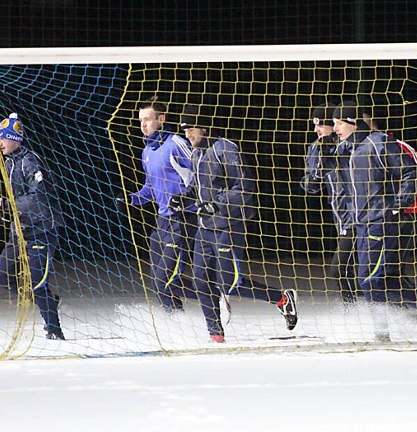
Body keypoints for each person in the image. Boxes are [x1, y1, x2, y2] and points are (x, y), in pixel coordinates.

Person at [169, 109, 297, 342]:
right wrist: (183, 197)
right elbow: (197, 188)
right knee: (200, 281)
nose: (187, 134)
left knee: (229, 284)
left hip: (228, 226)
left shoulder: (225, 148)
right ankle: (215, 334)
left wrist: (217, 204)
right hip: (204, 227)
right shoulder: (197, 153)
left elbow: (244, 188)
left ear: (203, 127)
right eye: (185, 129)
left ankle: (282, 299)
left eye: (191, 128)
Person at [333, 101, 417, 341]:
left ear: (354, 122)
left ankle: (389, 328)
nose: (335, 128)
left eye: (339, 122)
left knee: (369, 279)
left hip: (382, 223)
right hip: (361, 224)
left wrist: (397, 206)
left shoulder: (380, 142)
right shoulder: (347, 150)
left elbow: (411, 172)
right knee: (381, 280)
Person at [117, 97, 195, 313]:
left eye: (148, 120)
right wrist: (130, 199)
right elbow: (150, 188)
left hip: (183, 220)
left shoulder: (176, 144)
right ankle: (177, 319)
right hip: (162, 222)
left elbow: (200, 175)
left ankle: (212, 295)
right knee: (158, 282)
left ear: (161, 119)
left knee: (164, 280)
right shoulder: (147, 152)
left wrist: (186, 198)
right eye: (140, 120)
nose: (143, 125)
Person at [0, 113, 66, 340]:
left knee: (37, 283)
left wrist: (9, 205)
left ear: (15, 139)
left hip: (41, 231)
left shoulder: (29, 162)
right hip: (21, 230)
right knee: (2, 276)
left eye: (3, 138)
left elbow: (39, 198)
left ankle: (54, 329)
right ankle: (50, 302)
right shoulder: (8, 162)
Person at [365, 113, 417, 302]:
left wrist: (404, 203)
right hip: (379, 218)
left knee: (390, 271)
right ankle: (416, 305)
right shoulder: (361, 152)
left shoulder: (397, 146)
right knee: (383, 272)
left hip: (405, 217)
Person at [300, 104, 358, 304]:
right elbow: (312, 182)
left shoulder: (350, 144)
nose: (317, 130)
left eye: (321, 125)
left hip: (361, 217)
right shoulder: (316, 147)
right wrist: (310, 180)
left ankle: (357, 313)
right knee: (350, 270)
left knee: (342, 269)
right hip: (341, 219)